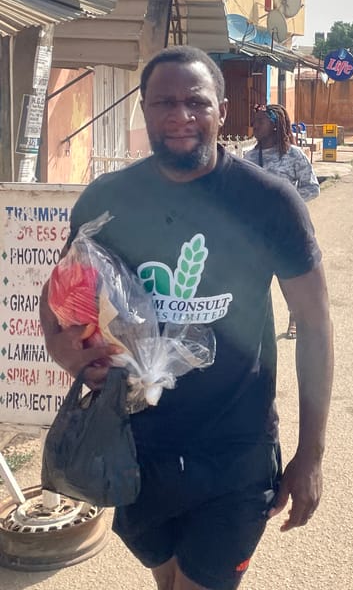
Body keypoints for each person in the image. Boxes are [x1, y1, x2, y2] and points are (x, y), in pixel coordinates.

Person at [39, 46, 333, 590]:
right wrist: (63, 347)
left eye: (196, 102)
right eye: (164, 103)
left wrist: (310, 453)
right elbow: (62, 290)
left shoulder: (268, 202)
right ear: (143, 110)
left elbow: (314, 325)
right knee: (167, 577)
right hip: (131, 445)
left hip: (234, 452)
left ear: (224, 109)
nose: (180, 116)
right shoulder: (109, 198)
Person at [245, 103, 320, 339]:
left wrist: (288, 207)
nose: (254, 126)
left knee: (291, 281)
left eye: (260, 122)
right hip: (257, 234)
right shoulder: (248, 158)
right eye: (254, 121)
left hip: (288, 231)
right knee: (253, 283)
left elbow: (312, 188)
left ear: (276, 125)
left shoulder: (293, 155)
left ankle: (295, 317)